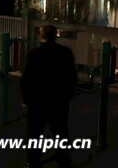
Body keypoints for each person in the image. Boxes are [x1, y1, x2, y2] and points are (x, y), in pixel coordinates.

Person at [21, 25, 77, 168]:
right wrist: (68, 95)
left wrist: (26, 100)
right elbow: (71, 77)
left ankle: (32, 160)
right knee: (60, 130)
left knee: (35, 132)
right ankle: (63, 159)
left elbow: (27, 79)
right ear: (55, 35)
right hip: (58, 100)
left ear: (42, 36)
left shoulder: (34, 54)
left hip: (37, 100)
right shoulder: (65, 53)